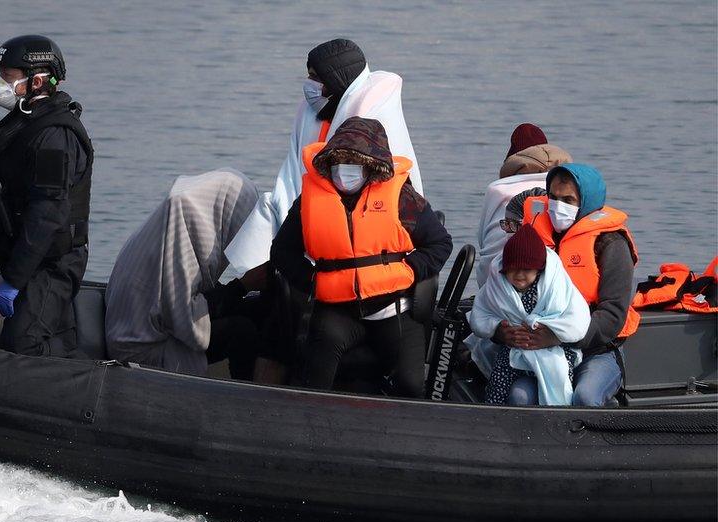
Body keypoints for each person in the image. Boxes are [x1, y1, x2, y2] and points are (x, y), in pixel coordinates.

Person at [270, 117, 452, 395]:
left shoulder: (402, 198)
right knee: (314, 380)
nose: (344, 172)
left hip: (395, 308)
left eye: (354, 164)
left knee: (411, 386)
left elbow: (439, 243)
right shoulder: (310, 201)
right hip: (337, 311)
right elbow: (282, 251)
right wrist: (313, 282)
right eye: (338, 164)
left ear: (371, 166)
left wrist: (412, 269)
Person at [225, 38, 424, 275]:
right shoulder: (311, 113)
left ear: (337, 79)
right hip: (309, 204)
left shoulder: (371, 117)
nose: (310, 84)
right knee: (270, 210)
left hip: (361, 217)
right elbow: (292, 171)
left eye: (317, 78)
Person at [0, 35, 93, 357]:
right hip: (29, 254)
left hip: (51, 263)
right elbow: (11, 202)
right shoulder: (28, 125)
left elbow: (46, 215)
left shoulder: (55, 137)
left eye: (7, 77)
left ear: (37, 80)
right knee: (52, 338)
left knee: (22, 343)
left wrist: (15, 280)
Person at [104, 169, 263, 378]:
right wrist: (241, 286)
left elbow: (186, 301)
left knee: (251, 309)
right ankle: (247, 403)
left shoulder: (179, 223)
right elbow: (185, 319)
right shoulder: (179, 240)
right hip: (141, 349)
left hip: (154, 327)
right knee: (242, 331)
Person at [518, 163, 640, 406]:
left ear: (586, 202)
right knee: (520, 397)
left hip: (598, 350)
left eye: (568, 199)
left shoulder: (612, 244)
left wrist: (559, 337)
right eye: (553, 197)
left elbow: (613, 314)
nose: (557, 205)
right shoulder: (533, 236)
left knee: (585, 398)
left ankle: (606, 423)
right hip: (542, 349)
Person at [468, 225, 590, 406]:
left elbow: (579, 322)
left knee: (560, 383)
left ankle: (558, 421)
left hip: (554, 351)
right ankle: (493, 417)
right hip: (513, 351)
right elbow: (479, 315)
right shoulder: (496, 286)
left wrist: (553, 336)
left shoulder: (557, 286)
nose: (519, 275)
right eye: (512, 269)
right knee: (497, 387)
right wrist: (498, 329)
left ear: (539, 269)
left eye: (526, 269)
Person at [475, 123, 572, 287]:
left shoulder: (498, 189)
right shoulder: (568, 188)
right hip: (558, 283)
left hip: (495, 282)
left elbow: (483, 240)